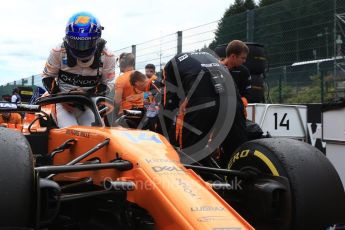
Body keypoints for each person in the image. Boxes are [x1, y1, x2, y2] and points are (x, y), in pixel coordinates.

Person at [41, 12, 115, 128]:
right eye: (77, 42)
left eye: (86, 43)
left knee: (96, 134)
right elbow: (47, 76)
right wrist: (61, 97)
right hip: (62, 104)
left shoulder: (108, 56)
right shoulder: (57, 51)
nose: (81, 48)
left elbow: (108, 84)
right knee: (70, 132)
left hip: (88, 104)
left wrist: (87, 95)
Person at [215, 40, 252, 108]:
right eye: (242, 58)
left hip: (236, 110)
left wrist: (241, 103)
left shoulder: (244, 71)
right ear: (233, 56)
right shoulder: (215, 69)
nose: (244, 61)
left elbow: (248, 95)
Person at [113, 53, 143, 118]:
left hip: (127, 113)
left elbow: (117, 101)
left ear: (122, 63)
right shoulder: (142, 76)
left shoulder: (121, 79)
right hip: (142, 113)